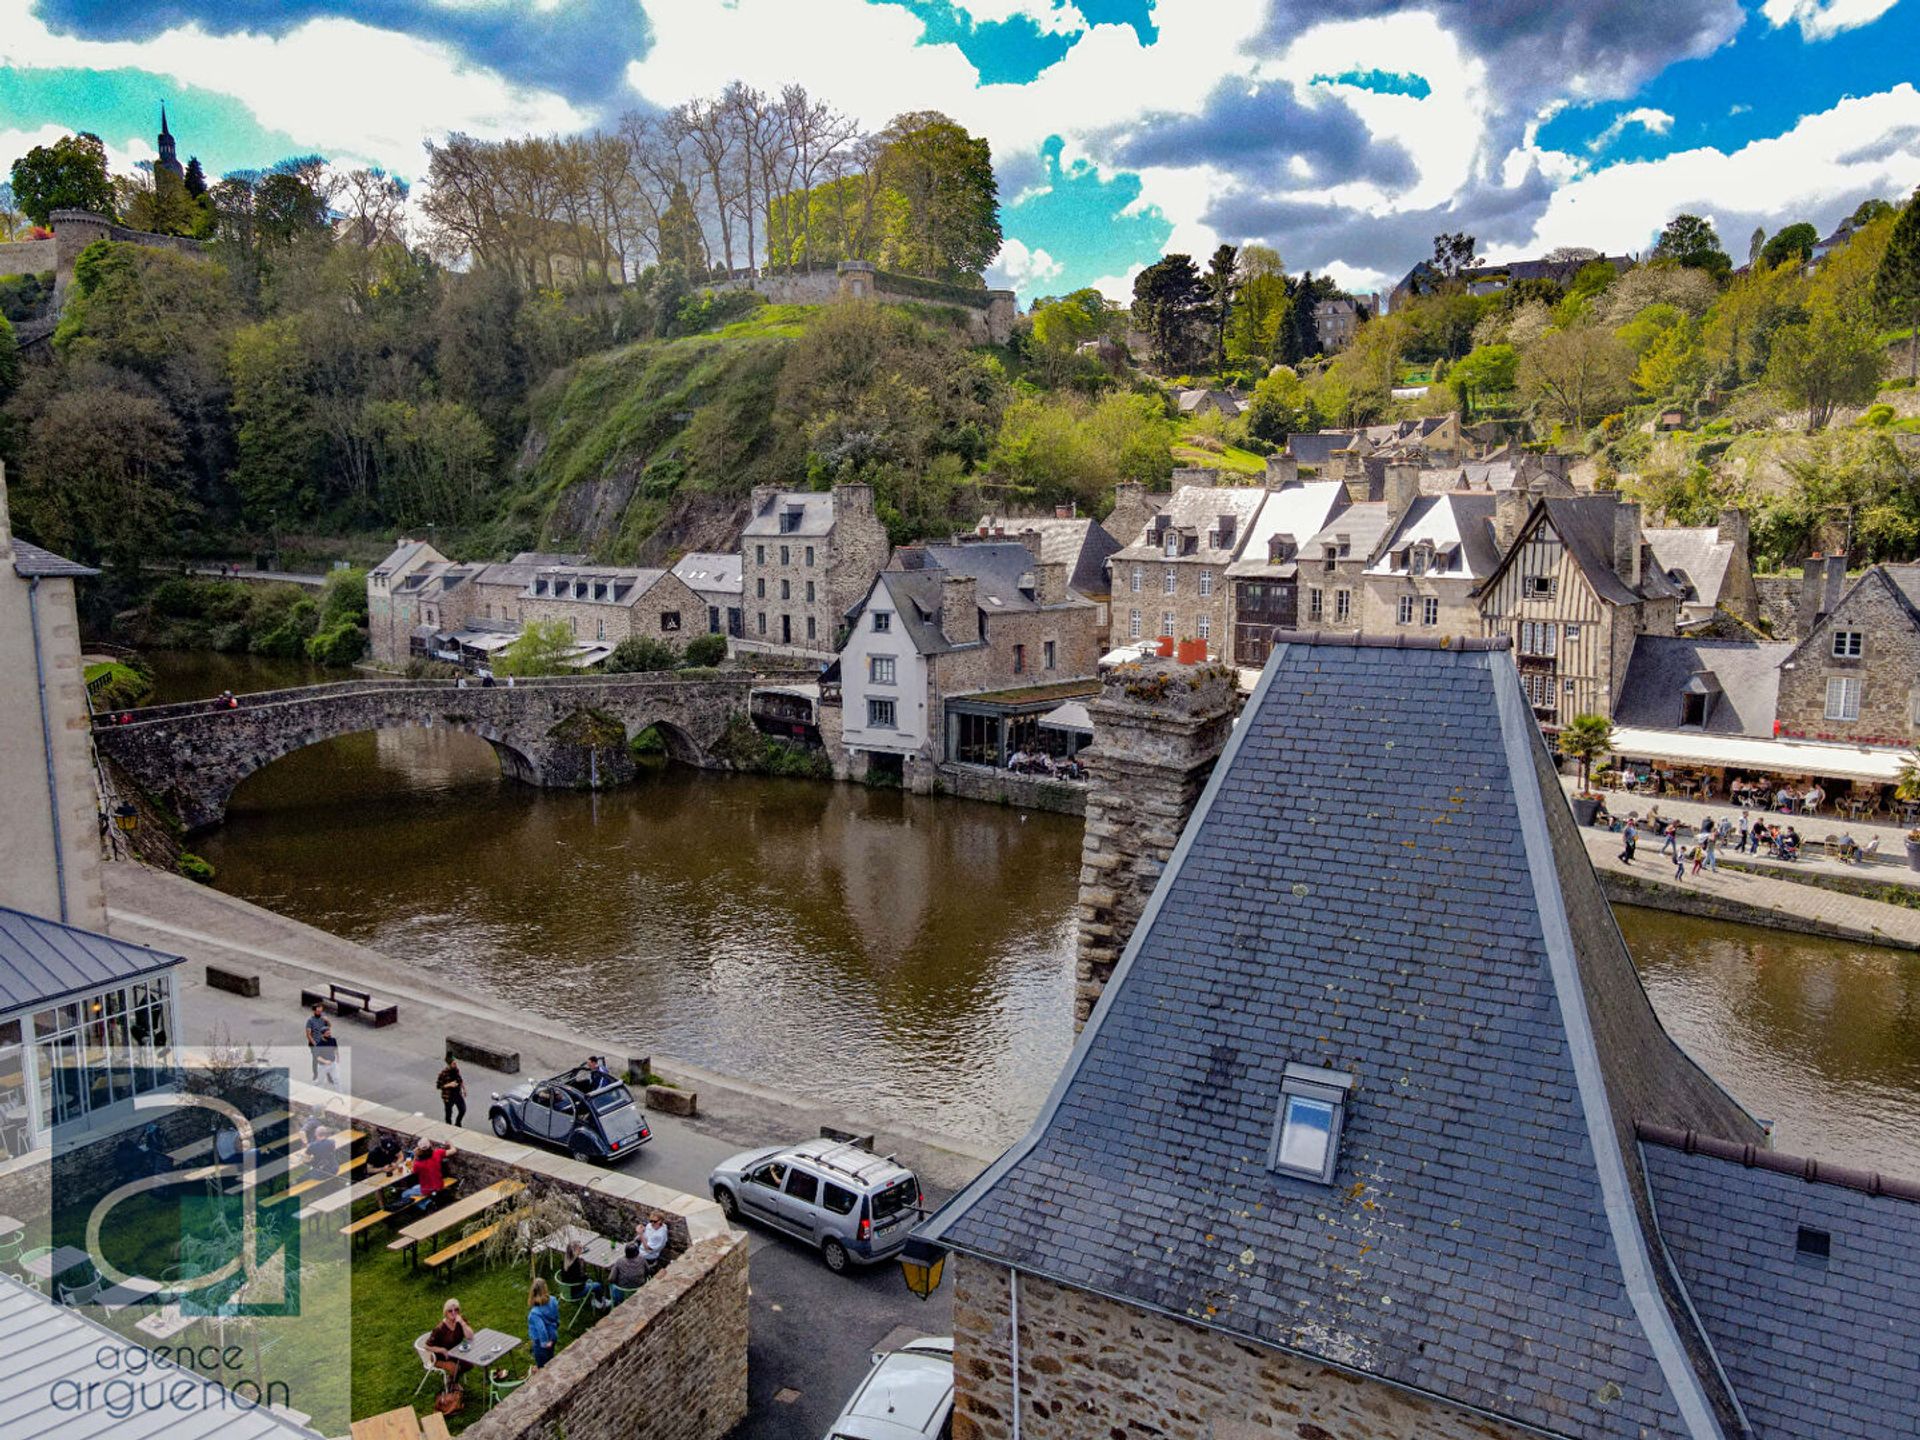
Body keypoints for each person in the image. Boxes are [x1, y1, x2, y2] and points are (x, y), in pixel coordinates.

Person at [427, 1297, 476, 1391]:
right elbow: (427, 1346)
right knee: (455, 1367)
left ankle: (452, 1378)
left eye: (456, 1310)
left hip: (455, 1353)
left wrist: (462, 1322)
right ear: (445, 1313)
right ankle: (453, 1384)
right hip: (439, 1357)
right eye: (450, 1311)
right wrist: (441, 1349)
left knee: (469, 1365)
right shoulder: (440, 1329)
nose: (454, 1313)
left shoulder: (460, 1321)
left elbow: (470, 1336)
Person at [559, 1239, 606, 1311]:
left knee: (591, 1283)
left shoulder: (564, 1261)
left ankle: (598, 1300)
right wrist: (585, 1273)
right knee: (598, 1285)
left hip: (566, 1291)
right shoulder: (576, 1264)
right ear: (575, 1251)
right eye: (580, 1248)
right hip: (575, 1293)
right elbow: (582, 1279)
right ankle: (599, 1304)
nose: (582, 1249)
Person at [402, 1141, 456, 1205]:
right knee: (415, 1187)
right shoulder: (438, 1153)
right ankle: (428, 1201)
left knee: (404, 1194)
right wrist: (450, 1144)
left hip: (427, 1189)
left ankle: (426, 1204)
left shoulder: (418, 1164)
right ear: (431, 1146)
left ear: (420, 1150)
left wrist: (415, 1156)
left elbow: (409, 1170)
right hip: (439, 1185)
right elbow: (453, 1150)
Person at [527, 1278, 560, 1368]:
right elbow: (557, 1315)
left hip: (541, 1343)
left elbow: (541, 1329)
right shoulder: (553, 1300)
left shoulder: (535, 1313)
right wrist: (556, 1325)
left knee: (542, 1366)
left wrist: (545, 1343)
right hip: (553, 1336)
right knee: (551, 1358)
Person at [437, 1055, 468, 1128]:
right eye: (454, 1063)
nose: (455, 1065)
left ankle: (458, 1123)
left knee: (463, 1110)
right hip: (448, 1096)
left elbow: (460, 1079)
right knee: (448, 1114)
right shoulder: (443, 1074)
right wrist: (449, 1085)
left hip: (457, 1094)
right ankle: (449, 1127)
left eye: (455, 1063)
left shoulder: (456, 1070)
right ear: (449, 1064)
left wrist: (464, 1089)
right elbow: (439, 1086)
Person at [305, 1003, 328, 1079]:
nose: (320, 1013)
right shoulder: (310, 1021)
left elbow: (327, 1029)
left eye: (321, 1011)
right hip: (314, 1044)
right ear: (314, 1011)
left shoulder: (323, 1019)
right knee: (315, 1059)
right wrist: (314, 1044)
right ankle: (315, 1074)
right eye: (318, 1011)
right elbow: (308, 1034)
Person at [314, 1023, 340, 1089]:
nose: (329, 1035)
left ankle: (339, 1092)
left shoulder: (333, 1040)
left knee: (336, 1079)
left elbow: (335, 1048)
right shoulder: (319, 1045)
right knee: (320, 1081)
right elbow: (317, 1057)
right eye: (327, 1034)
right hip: (323, 1065)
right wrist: (325, 1061)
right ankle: (317, 1088)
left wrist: (338, 1057)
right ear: (323, 1035)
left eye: (329, 1033)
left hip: (332, 1063)